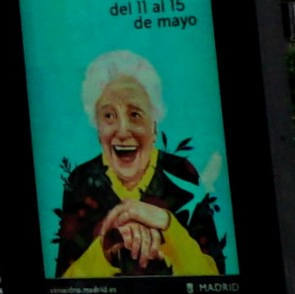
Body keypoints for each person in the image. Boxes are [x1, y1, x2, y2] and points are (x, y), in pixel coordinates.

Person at [51, 53, 228, 278]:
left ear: (154, 126)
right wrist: (104, 248)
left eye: (135, 114)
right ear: (98, 130)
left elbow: (215, 279)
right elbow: (63, 288)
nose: (122, 131)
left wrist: (167, 224)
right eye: (109, 116)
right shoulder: (81, 180)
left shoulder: (181, 173)